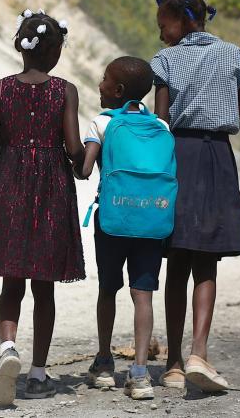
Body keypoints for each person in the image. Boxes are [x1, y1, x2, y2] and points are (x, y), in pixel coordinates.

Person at [0, 8, 85, 405]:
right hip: (50, 189)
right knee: (44, 285)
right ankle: (40, 373)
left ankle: (7, 349)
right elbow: (73, 147)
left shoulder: (0, 88)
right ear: (56, 52)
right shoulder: (65, 91)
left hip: (7, 183)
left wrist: (9, 139)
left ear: (20, 46)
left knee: (12, 281)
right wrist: (84, 158)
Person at [151, 0, 240, 392]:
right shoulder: (233, 55)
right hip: (216, 158)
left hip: (177, 157)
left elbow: (161, 122)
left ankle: (174, 364)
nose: (162, 34)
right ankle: (200, 353)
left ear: (183, 21)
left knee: (175, 262)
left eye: (165, 26)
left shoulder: (166, 60)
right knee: (206, 261)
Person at [80, 56, 173, 400]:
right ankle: (140, 374)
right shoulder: (161, 128)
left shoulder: (102, 123)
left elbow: (85, 170)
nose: (99, 85)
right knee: (143, 294)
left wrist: (74, 154)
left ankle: (104, 364)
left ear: (117, 90)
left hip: (114, 221)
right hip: (153, 220)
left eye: (104, 79)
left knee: (108, 289)